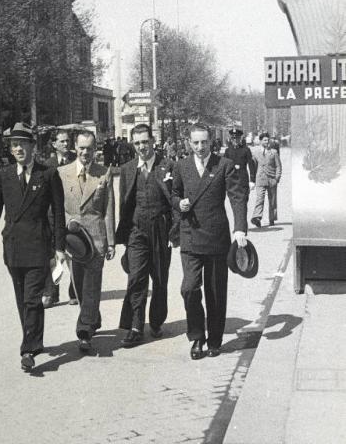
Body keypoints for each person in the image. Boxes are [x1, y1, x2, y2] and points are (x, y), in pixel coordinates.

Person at [0, 122, 66, 372]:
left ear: (32, 146)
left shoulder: (48, 174)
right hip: (13, 247)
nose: (17, 148)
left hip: (39, 246)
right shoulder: (3, 175)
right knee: (23, 300)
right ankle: (35, 340)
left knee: (32, 298)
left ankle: (28, 349)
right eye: (13, 145)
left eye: (22, 144)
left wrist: (59, 248)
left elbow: (59, 214)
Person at [172, 123, 247, 360]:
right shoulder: (181, 166)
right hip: (191, 237)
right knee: (189, 288)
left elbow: (237, 197)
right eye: (195, 142)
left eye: (204, 142)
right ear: (188, 143)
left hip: (216, 238)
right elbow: (173, 193)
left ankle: (214, 339)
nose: (200, 147)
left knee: (215, 291)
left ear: (211, 141)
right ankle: (197, 337)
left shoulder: (223, 165)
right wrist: (178, 203)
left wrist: (240, 228)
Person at [116, 124, 174, 347]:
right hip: (136, 231)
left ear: (153, 141)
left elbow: (174, 201)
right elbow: (124, 203)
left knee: (160, 279)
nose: (142, 147)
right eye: (138, 143)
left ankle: (157, 321)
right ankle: (135, 327)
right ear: (133, 144)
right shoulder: (128, 169)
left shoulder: (168, 166)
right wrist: (123, 237)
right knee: (136, 278)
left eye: (145, 142)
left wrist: (173, 231)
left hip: (160, 229)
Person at [58, 130, 115, 352]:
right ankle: (93, 317)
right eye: (81, 148)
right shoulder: (63, 173)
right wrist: (63, 231)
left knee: (92, 285)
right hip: (73, 240)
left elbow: (109, 209)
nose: (85, 152)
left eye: (90, 148)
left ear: (95, 149)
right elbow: (58, 206)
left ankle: (84, 332)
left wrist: (111, 242)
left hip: (96, 239)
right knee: (80, 286)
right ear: (75, 147)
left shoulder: (104, 174)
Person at [42, 129, 78, 308]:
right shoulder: (47, 165)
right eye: (62, 141)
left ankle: (74, 291)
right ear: (54, 144)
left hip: (71, 214)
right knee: (52, 256)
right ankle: (51, 293)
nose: (66, 144)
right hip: (52, 215)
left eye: (67, 141)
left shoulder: (76, 160)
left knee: (74, 254)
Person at [251, 131, 282, 228]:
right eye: (264, 140)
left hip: (272, 179)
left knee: (272, 200)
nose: (266, 142)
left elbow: (278, 166)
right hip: (260, 179)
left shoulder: (274, 152)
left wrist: (277, 178)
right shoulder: (255, 153)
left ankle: (272, 218)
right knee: (260, 199)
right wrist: (253, 178)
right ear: (260, 141)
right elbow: (253, 166)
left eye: (267, 140)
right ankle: (257, 218)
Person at [224, 127, 256, 203]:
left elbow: (251, 165)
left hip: (243, 181)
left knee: (243, 202)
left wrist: (252, 180)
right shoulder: (227, 151)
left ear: (240, 139)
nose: (235, 140)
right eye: (233, 138)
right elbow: (223, 166)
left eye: (237, 138)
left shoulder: (246, 150)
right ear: (231, 139)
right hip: (231, 181)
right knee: (233, 203)